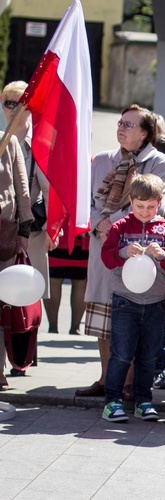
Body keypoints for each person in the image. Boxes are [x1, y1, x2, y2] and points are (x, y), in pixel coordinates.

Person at [76, 104, 165, 398]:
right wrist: (99, 224)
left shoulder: (158, 162)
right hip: (103, 245)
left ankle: (128, 384)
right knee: (103, 314)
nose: (121, 128)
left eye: (129, 125)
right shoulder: (103, 159)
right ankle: (107, 379)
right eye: (120, 123)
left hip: (136, 250)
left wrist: (113, 224)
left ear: (145, 133)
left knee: (131, 316)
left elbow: (157, 206)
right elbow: (89, 202)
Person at [100, 174, 165, 422]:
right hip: (125, 300)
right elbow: (106, 257)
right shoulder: (120, 227)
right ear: (131, 201)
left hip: (156, 302)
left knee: (149, 355)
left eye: (151, 207)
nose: (145, 212)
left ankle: (143, 400)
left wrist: (164, 254)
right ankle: (112, 402)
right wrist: (123, 251)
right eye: (139, 206)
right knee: (122, 353)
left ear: (159, 202)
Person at [0, 100, 34, 389]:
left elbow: (22, 190)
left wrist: (24, 229)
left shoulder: (7, 142)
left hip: (3, 232)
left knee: (1, 304)